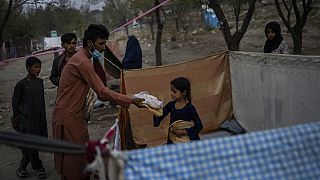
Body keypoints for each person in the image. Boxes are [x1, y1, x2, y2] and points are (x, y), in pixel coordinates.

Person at [52, 24, 144, 180]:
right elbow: (102, 92)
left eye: (105, 43)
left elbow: (98, 93)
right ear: (89, 43)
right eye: (101, 43)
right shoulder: (82, 61)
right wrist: (131, 100)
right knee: (75, 166)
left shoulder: (83, 58)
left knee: (76, 162)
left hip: (74, 116)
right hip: (68, 118)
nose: (103, 47)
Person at [11, 57, 47, 179]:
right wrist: (16, 119)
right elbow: (15, 103)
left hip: (39, 119)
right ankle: (38, 167)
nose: (38, 69)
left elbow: (41, 102)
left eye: (39, 67)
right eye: (35, 67)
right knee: (31, 145)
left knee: (31, 146)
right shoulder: (21, 85)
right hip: (27, 120)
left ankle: (22, 168)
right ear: (28, 68)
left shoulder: (40, 82)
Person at [153, 77, 203, 144]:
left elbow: (199, 126)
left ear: (184, 92)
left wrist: (184, 132)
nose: (171, 93)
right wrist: (156, 108)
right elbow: (159, 116)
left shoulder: (190, 108)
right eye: (171, 91)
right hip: (173, 138)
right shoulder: (171, 105)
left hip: (185, 140)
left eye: (174, 91)